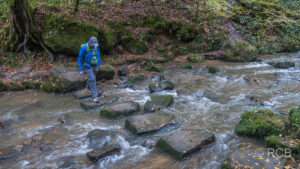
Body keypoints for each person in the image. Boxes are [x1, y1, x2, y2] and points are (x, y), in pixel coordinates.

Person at [78, 36, 102, 102]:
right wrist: (81, 70)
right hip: (87, 66)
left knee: (92, 78)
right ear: (90, 42)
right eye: (93, 45)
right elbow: (80, 59)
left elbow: (98, 54)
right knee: (92, 79)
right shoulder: (84, 48)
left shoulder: (96, 46)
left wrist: (99, 63)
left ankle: (88, 88)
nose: (94, 46)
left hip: (95, 65)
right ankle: (95, 96)